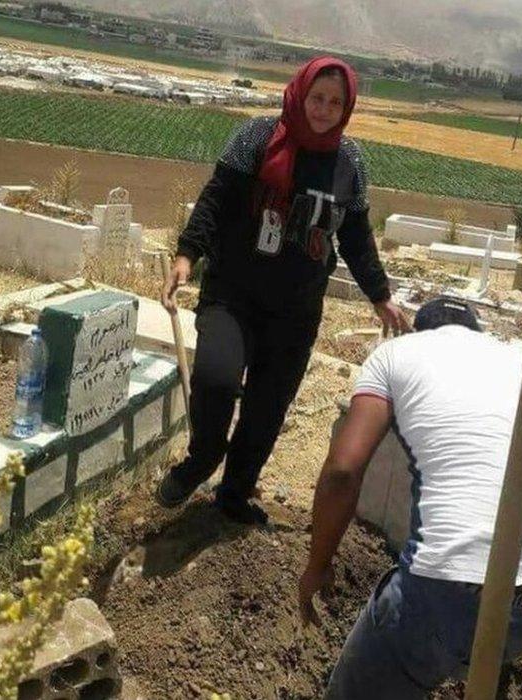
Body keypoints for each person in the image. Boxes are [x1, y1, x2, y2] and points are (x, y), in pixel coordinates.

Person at [157, 56, 409, 524]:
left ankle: (233, 496)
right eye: (318, 97)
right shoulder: (257, 137)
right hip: (233, 293)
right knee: (215, 379)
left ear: (347, 106)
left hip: (295, 310)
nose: (324, 109)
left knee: (267, 408)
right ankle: (202, 459)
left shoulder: (348, 162)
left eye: (336, 102)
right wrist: (186, 256)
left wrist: (380, 295)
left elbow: (355, 236)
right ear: (299, 92)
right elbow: (216, 199)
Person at [298, 296, 522, 698]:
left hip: (443, 588)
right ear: (477, 332)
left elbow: (342, 471)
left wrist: (317, 565)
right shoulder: (520, 359)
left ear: (420, 330)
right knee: (475, 654)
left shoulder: (396, 353)